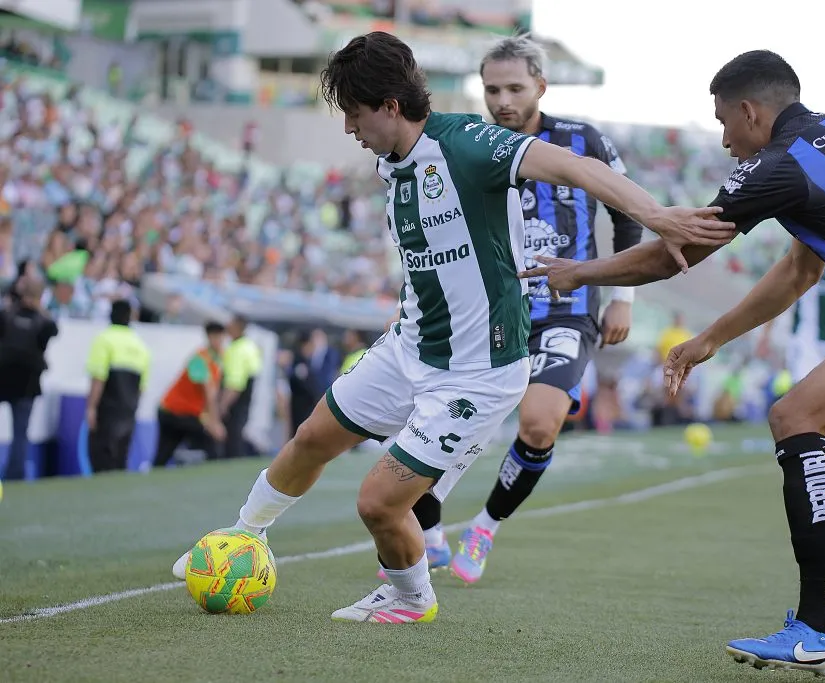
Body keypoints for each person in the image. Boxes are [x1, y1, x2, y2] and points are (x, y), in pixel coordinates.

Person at [169, 31, 732, 624]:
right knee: (311, 438)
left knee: (379, 504)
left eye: (354, 115)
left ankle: (411, 598)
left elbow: (574, 166)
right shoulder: (393, 158)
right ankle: (243, 537)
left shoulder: (467, 146)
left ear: (391, 107)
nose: (347, 129)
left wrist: (658, 215)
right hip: (412, 345)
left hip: (478, 373)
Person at [521, 50, 825, 677]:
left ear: (750, 111)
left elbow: (673, 253)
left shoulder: (778, 168)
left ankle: (819, 628)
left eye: (725, 122)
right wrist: (710, 338)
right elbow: (799, 270)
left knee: (796, 417)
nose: (726, 139)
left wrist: (580, 271)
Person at [404, 34, 644, 585]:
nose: (503, 100)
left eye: (515, 88)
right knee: (438, 424)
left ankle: (486, 525)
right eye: (492, 89)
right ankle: (432, 530)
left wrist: (623, 298)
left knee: (538, 424)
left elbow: (627, 217)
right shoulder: (465, 141)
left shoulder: (583, 141)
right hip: (486, 312)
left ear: (541, 85)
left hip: (568, 308)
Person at [0, 277, 58, 480]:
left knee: (20, 432)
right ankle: (14, 475)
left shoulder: (7, 314)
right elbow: (53, 331)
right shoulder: (43, 321)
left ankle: (14, 472)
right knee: (20, 432)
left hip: (3, 375)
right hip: (27, 382)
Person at [85, 299, 151, 473]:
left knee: (101, 458)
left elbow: (98, 378)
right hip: (128, 410)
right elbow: (142, 387)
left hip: (107, 408)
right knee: (121, 459)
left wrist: (91, 407)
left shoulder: (104, 339)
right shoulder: (140, 345)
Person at [155, 321, 227, 467]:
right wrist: (214, 423)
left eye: (221, 337)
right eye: (216, 337)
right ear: (209, 337)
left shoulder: (216, 360)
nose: (219, 341)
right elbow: (209, 394)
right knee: (210, 446)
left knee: (163, 455)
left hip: (184, 413)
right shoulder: (199, 359)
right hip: (174, 412)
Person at [219, 315, 263, 459]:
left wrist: (222, 405)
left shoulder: (237, 349)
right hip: (246, 396)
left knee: (232, 437)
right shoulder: (249, 346)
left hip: (236, 399)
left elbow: (235, 384)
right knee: (238, 432)